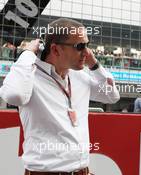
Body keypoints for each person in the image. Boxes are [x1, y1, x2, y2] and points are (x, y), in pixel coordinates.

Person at [0, 18, 120, 175]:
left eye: (87, 45)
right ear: (55, 50)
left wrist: (94, 64)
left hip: (82, 171)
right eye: (80, 46)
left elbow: (112, 96)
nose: (87, 52)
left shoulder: (79, 76)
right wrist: (28, 53)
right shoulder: (30, 76)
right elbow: (13, 95)